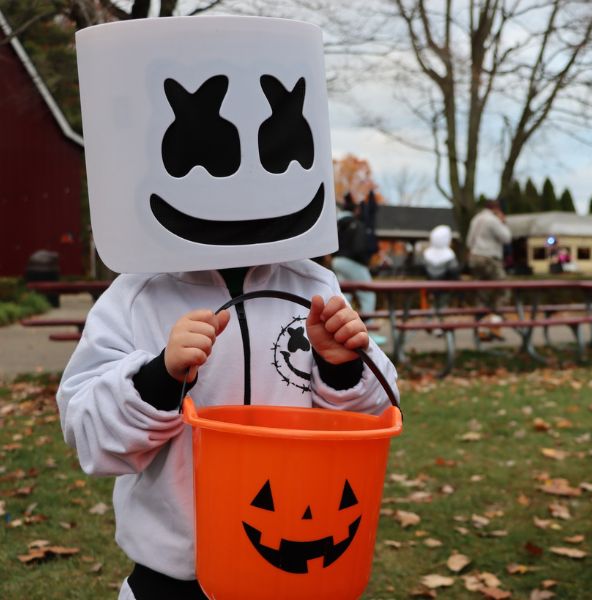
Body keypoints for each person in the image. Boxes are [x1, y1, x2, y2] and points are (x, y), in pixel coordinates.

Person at [59, 16, 398, 599]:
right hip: (173, 578)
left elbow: (373, 421)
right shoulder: (137, 297)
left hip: (296, 562)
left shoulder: (314, 286)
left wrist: (343, 367)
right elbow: (90, 438)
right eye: (205, 157)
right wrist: (156, 377)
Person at [331, 193, 386, 345]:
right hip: (352, 261)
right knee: (368, 295)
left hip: (337, 260)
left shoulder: (337, 223)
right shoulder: (357, 223)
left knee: (344, 296)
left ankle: (342, 330)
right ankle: (368, 332)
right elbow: (360, 247)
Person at [466, 199, 512, 340]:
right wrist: (503, 222)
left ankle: (481, 328)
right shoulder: (493, 220)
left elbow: (469, 241)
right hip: (489, 258)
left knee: (482, 293)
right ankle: (495, 323)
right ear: (497, 208)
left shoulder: (476, 219)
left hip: (475, 257)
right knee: (503, 290)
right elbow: (506, 238)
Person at [423, 224, 460, 316]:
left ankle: (432, 323)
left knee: (433, 306)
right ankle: (439, 324)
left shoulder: (426, 254)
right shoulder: (450, 255)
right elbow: (455, 272)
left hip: (431, 287)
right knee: (442, 307)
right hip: (445, 288)